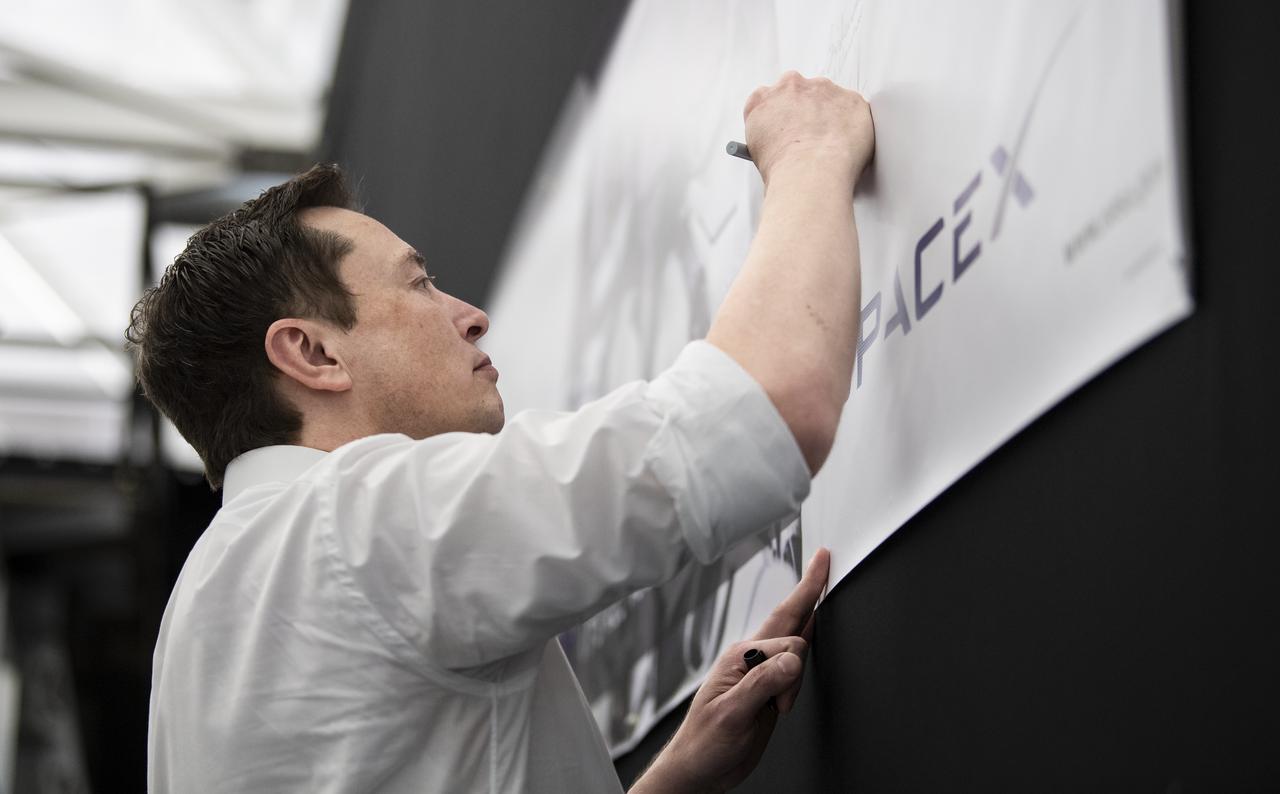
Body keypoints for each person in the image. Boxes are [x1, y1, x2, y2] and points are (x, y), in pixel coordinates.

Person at [130, 72, 874, 792]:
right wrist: (808, 152)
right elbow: (768, 409)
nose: (470, 315)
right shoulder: (362, 520)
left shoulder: (200, 616)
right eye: (419, 283)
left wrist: (674, 778)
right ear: (315, 354)